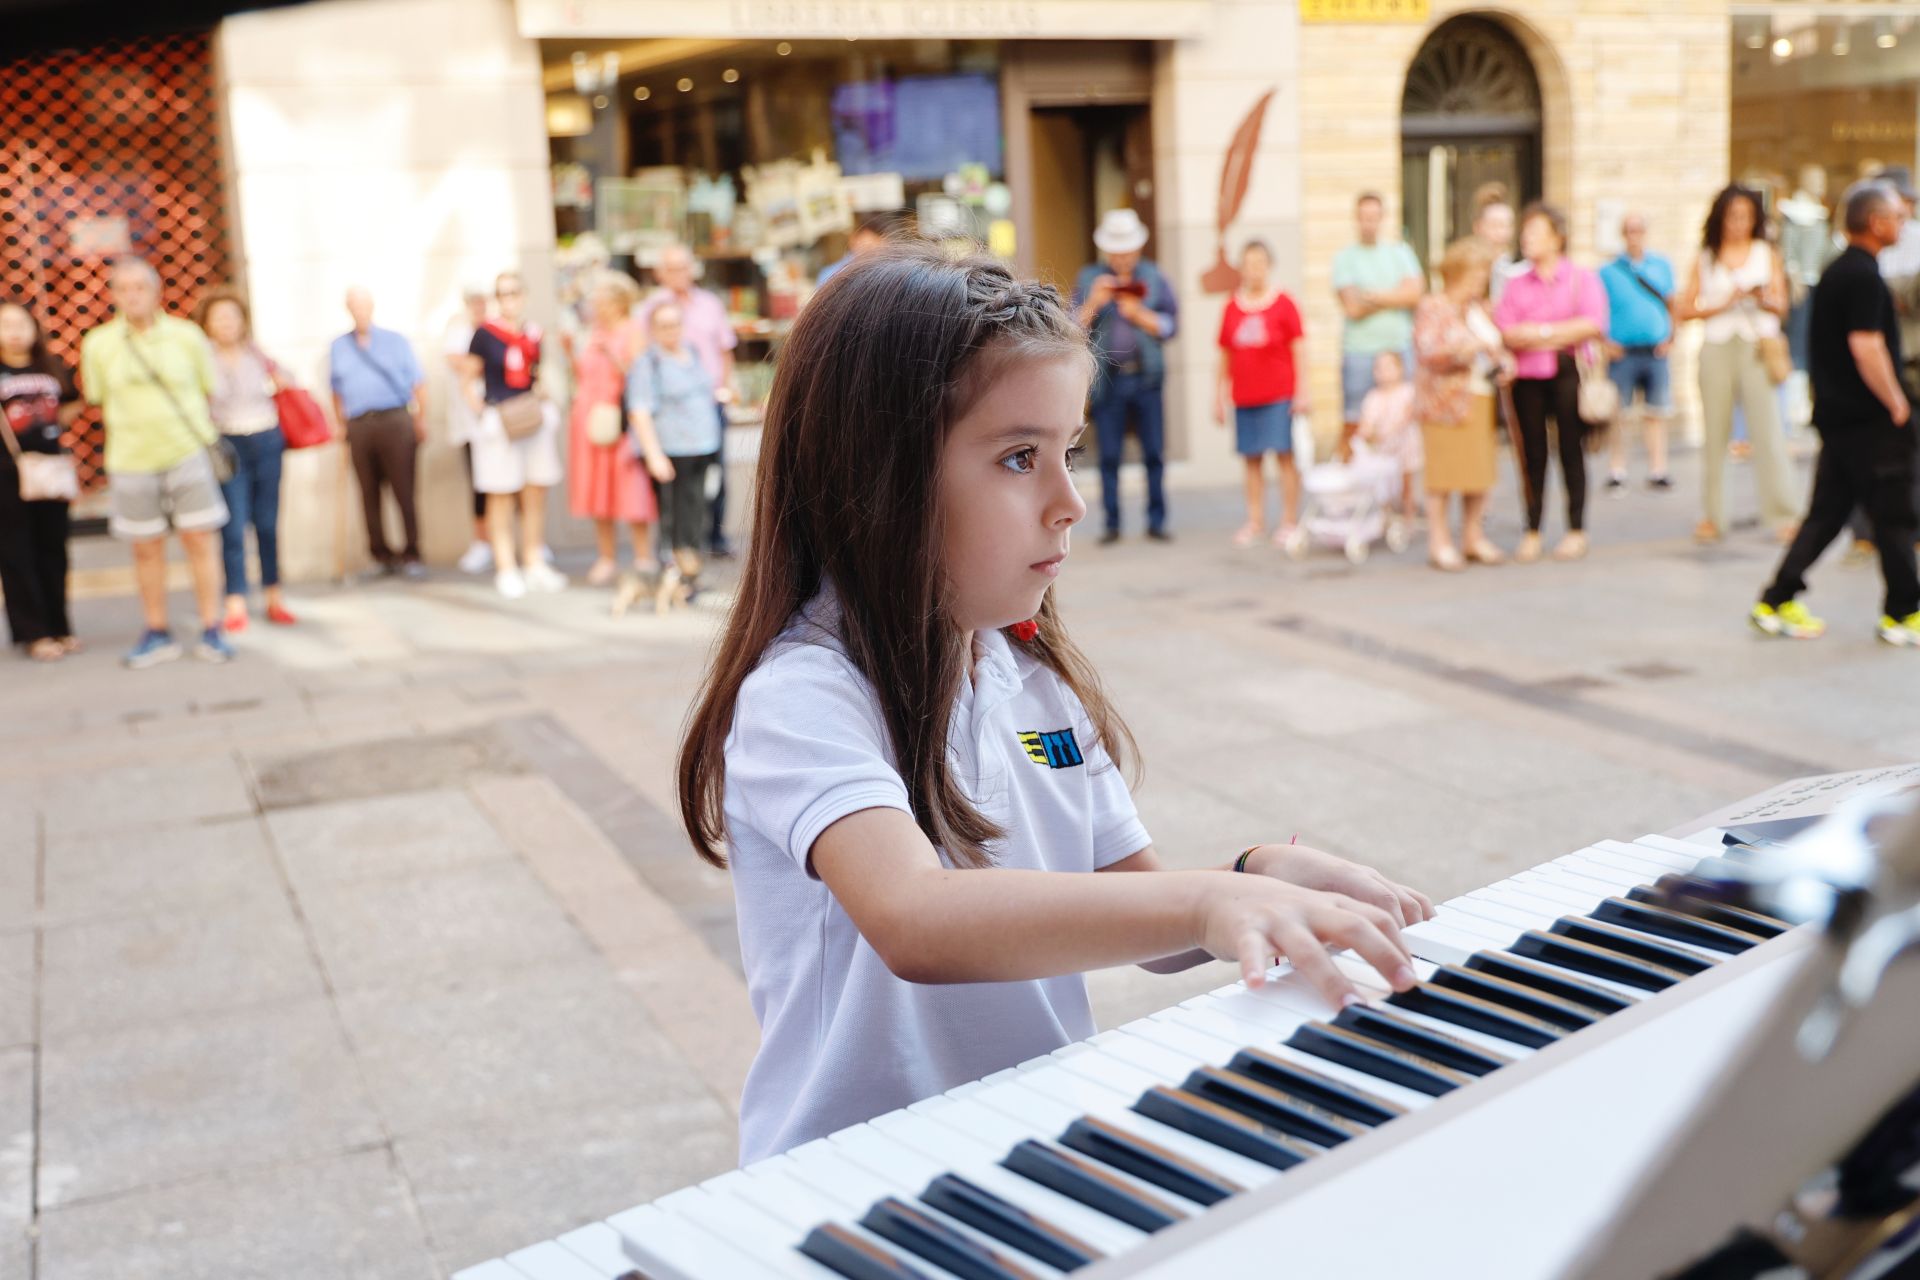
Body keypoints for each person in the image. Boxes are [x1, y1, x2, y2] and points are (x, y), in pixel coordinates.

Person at [673, 244, 1434, 1163]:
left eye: (1069, 451)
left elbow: (1135, 906)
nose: (1069, 501)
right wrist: (1208, 901)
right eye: (1019, 457)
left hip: (1025, 1153)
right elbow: (915, 918)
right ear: (879, 475)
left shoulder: (1026, 676)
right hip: (851, 1181)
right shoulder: (804, 694)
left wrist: (1253, 873)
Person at [1753, 182, 1920, 646]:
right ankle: (1905, 612)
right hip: (1870, 421)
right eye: (1897, 217)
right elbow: (1866, 347)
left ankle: (1776, 599)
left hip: (1841, 418)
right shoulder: (1862, 276)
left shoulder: (1840, 270)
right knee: (1895, 516)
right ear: (1875, 222)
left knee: (1827, 515)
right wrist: (1897, 403)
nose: (1902, 224)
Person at [80, 257, 232, 667]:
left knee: (200, 540)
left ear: (156, 291)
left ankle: (212, 627)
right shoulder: (98, 343)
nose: (132, 295)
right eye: (123, 288)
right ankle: (156, 629)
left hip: (186, 452)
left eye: (139, 287)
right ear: (112, 296)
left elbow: (209, 388)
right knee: (145, 548)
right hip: (130, 458)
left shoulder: (187, 337)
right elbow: (96, 398)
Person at [1675, 184, 1798, 545]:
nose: (1739, 223)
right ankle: (1714, 515)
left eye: (1745, 216)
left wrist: (1760, 298)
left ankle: (1783, 513)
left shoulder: (1766, 253)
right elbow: (1685, 309)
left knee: (1768, 432)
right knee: (1715, 434)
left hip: (1756, 346)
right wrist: (1724, 302)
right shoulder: (1706, 257)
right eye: (1733, 216)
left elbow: (1782, 305)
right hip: (1716, 346)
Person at [1494, 202, 1608, 563]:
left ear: (1557, 238)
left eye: (1535, 232)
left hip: (1567, 372)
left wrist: (1541, 332)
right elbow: (1507, 330)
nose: (1526, 239)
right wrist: (1555, 333)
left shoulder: (1580, 277)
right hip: (1527, 378)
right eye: (1524, 233)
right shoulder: (1516, 283)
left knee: (1572, 450)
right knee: (1532, 455)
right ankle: (1532, 528)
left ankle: (1576, 529)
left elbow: (1593, 323)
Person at [1074, 208, 1179, 544]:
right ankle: (1112, 524)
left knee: (1153, 452)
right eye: (1116, 249)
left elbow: (1170, 325)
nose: (1121, 257)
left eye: (1127, 249)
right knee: (1109, 455)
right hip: (1109, 379)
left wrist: (1139, 314)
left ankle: (1157, 520)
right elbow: (1070, 327)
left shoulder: (1153, 276)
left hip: (1146, 377)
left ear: (1137, 249)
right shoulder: (1091, 278)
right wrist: (1094, 302)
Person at [194, 287, 293, 632]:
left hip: (266, 437)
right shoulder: (201, 357)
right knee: (233, 526)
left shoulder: (257, 353)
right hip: (227, 442)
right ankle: (235, 600)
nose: (226, 324)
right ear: (207, 323)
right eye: (218, 317)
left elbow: (290, 380)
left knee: (266, 523)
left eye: (232, 316)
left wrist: (279, 380)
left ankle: (273, 595)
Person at [467, 269, 565, 599]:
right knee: (501, 493)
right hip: (500, 419)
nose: (509, 299)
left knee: (535, 490)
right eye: (502, 294)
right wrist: (481, 411)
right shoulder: (484, 334)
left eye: (514, 292)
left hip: (531, 416)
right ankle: (506, 566)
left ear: (524, 295)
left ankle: (534, 560)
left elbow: (537, 373)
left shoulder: (534, 333)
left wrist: (545, 394)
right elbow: (468, 378)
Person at [1414, 238, 1511, 571]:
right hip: (1444, 403)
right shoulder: (1434, 305)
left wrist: (1504, 361)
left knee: (1477, 473)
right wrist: (1465, 351)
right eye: (1477, 272)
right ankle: (1439, 542)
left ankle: (1473, 536)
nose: (1481, 279)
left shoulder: (1477, 309)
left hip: (1480, 398)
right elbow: (1428, 350)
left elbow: (1496, 345)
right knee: (1442, 475)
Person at [637, 244, 737, 557]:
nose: (679, 274)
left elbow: (725, 350)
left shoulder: (709, 305)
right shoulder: (650, 309)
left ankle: (711, 539)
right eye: (671, 267)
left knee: (711, 480)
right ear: (660, 273)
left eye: (683, 266)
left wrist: (725, 388)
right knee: (673, 498)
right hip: (670, 419)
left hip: (707, 409)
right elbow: (638, 357)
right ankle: (675, 557)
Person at [0, 301, 82, 660]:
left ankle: (60, 625)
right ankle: (33, 632)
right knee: (17, 552)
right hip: (7, 474)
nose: (15, 330)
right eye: (6, 324)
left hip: (50, 471)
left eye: (21, 323)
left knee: (54, 550)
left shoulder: (52, 367)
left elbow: (74, 402)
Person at [329, 286, 428, 578]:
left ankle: (412, 552)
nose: (359, 310)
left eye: (363, 305)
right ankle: (380, 554)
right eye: (353, 305)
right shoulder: (339, 346)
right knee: (368, 493)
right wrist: (341, 423)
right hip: (359, 424)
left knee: (404, 489)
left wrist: (420, 419)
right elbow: (336, 389)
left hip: (395, 420)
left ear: (371, 307)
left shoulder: (395, 341)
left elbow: (418, 383)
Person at [626, 301, 718, 612]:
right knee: (672, 518)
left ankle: (690, 575)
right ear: (653, 330)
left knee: (694, 514)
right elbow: (639, 410)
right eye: (664, 326)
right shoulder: (647, 363)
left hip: (701, 446)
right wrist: (654, 455)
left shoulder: (691, 352)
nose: (671, 332)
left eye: (676, 324)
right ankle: (672, 581)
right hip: (670, 450)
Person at [1214, 239, 1306, 546]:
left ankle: (1289, 520)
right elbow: (1224, 354)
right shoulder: (1231, 306)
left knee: (1284, 457)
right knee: (1251, 461)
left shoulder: (1284, 303)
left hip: (1279, 394)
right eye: (1248, 263)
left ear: (1269, 266)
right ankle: (1255, 520)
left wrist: (1302, 391)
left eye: (1259, 263)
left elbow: (1299, 349)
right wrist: (1218, 396)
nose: (1254, 270)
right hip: (1245, 396)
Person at [568, 270, 654, 587]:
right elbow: (582, 374)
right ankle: (606, 557)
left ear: (618, 302)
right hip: (589, 419)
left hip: (620, 419)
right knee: (597, 489)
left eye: (600, 301)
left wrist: (612, 355)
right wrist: (568, 353)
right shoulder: (590, 332)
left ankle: (643, 556)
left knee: (631, 487)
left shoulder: (633, 330)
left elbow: (638, 375)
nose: (595, 307)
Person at [1333, 192, 1423, 461]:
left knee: (1405, 424)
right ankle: (1349, 491)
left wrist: (1373, 296)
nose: (1368, 223)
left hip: (1399, 348)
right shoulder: (1345, 258)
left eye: (1374, 217)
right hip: (1360, 352)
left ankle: (1401, 496)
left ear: (1382, 218)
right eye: (1363, 217)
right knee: (1355, 422)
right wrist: (1394, 296)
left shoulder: (1400, 253)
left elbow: (1415, 295)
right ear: (1356, 219)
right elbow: (1353, 308)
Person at [1598, 212, 1676, 493]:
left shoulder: (1661, 265)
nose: (1634, 235)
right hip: (1623, 351)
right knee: (1620, 413)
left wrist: (1672, 336)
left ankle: (1658, 469)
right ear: (1623, 234)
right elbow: (1597, 310)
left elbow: (1672, 302)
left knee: (1656, 411)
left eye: (1639, 230)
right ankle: (1617, 469)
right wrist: (1605, 342)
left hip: (1655, 350)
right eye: (1629, 230)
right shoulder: (1608, 271)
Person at [444, 283, 494, 574]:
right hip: (470, 423)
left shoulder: (496, 329)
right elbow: (458, 364)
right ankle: (482, 542)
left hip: (499, 419)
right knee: (479, 484)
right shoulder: (458, 331)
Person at [1357, 350, 1421, 528]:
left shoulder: (1408, 392)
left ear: (1400, 369)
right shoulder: (1373, 397)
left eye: (1389, 367)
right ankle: (1385, 516)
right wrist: (1366, 433)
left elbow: (1409, 414)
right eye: (1379, 368)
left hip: (1405, 446)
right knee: (1383, 486)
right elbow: (1367, 421)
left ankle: (1408, 517)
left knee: (1406, 484)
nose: (1383, 372)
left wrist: (1393, 429)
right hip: (1382, 449)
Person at [1471, 182, 1524, 304]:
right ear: (1477, 227)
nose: (1502, 233)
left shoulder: (1518, 265)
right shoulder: (1469, 265)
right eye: (1494, 226)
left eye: (1507, 226)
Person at [816, 213, 891, 286]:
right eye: (866, 247)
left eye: (877, 250)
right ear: (852, 240)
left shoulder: (887, 274)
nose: (869, 254)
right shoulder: (831, 274)